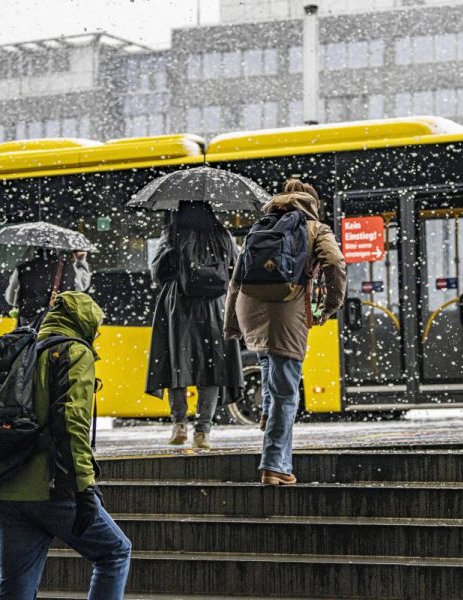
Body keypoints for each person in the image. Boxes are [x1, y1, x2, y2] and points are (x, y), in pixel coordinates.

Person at [0, 291, 131, 599]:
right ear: (85, 322)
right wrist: (84, 487)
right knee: (114, 552)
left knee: (15, 587)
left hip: (7, 485)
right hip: (50, 484)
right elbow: (71, 423)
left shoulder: (23, 348)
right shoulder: (74, 351)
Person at [224, 179, 346, 484]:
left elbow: (236, 280)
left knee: (270, 371)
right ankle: (274, 464)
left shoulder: (260, 226)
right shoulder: (316, 228)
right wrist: (331, 304)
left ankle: (269, 418)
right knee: (286, 394)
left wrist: (231, 323)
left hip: (249, 309)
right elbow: (335, 262)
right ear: (312, 203)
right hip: (285, 311)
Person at [146, 202, 243, 449]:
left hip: (178, 304)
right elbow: (236, 268)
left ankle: (179, 423)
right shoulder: (222, 234)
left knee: (177, 362)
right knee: (212, 367)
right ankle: (203, 432)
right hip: (214, 306)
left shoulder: (172, 233)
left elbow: (157, 273)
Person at [5, 248, 91, 326]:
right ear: (57, 250)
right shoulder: (68, 268)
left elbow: (11, 299)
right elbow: (83, 285)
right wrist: (80, 261)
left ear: (34, 249)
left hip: (28, 325)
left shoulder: (22, 268)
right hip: (59, 324)